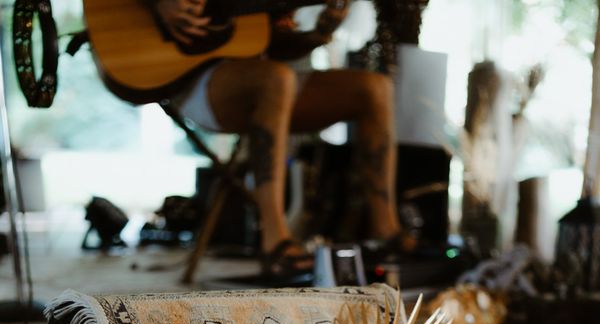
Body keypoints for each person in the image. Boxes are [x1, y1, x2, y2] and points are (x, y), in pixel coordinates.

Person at [155, 0, 415, 278]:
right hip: (189, 76)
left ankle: (385, 233)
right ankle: (275, 239)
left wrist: (316, 35)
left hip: (263, 72)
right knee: (276, 79)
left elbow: (265, 41)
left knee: (374, 88)